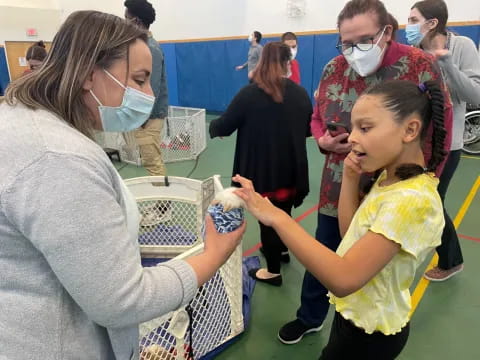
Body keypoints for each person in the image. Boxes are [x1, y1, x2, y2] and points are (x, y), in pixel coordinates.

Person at [0, 11, 244, 359]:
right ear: (89, 74)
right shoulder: (59, 158)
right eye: (140, 79)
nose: (147, 94)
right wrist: (214, 254)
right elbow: (122, 300)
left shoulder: (24, 121)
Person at [276, 0, 453, 346]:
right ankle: (311, 316)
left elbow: (439, 127)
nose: (353, 51)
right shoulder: (333, 69)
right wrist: (324, 140)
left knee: (372, 266)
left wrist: (427, 179)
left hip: (394, 184)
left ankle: (364, 320)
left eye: (363, 40)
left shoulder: (420, 65)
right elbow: (317, 116)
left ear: (387, 31)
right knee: (327, 248)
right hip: (343, 179)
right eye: (345, 42)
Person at [234, 79, 447, 359]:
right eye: (354, 127)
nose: (353, 137)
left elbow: (344, 277)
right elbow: (351, 234)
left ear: (410, 130)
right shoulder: (390, 177)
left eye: (366, 128)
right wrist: (350, 177)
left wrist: (277, 218)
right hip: (354, 318)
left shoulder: (411, 201)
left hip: (371, 336)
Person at [210, 42, 312, 286]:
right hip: (292, 170)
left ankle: (273, 271)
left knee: (267, 218)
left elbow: (224, 124)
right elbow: (308, 129)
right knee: (283, 212)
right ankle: (282, 250)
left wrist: (215, 129)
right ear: (289, 62)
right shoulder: (300, 93)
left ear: (261, 61)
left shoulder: (249, 94)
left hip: (262, 173)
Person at [406, 0, 480, 281]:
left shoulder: (462, 47)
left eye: (414, 20)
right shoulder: (414, 53)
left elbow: (475, 96)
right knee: (422, 202)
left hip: (448, 145)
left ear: (432, 22)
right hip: (416, 145)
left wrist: (447, 63)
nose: (409, 26)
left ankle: (451, 260)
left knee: (432, 203)